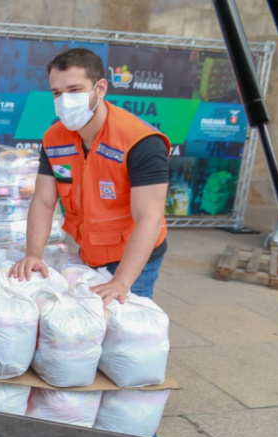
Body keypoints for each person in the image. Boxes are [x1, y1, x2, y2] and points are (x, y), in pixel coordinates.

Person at [10, 48, 170, 303]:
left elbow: (149, 218)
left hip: (135, 257)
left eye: (74, 90)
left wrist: (121, 282)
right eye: (57, 93)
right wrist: (34, 255)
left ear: (101, 88)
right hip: (90, 250)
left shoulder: (140, 141)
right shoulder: (54, 138)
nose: (64, 100)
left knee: (127, 332)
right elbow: (43, 201)